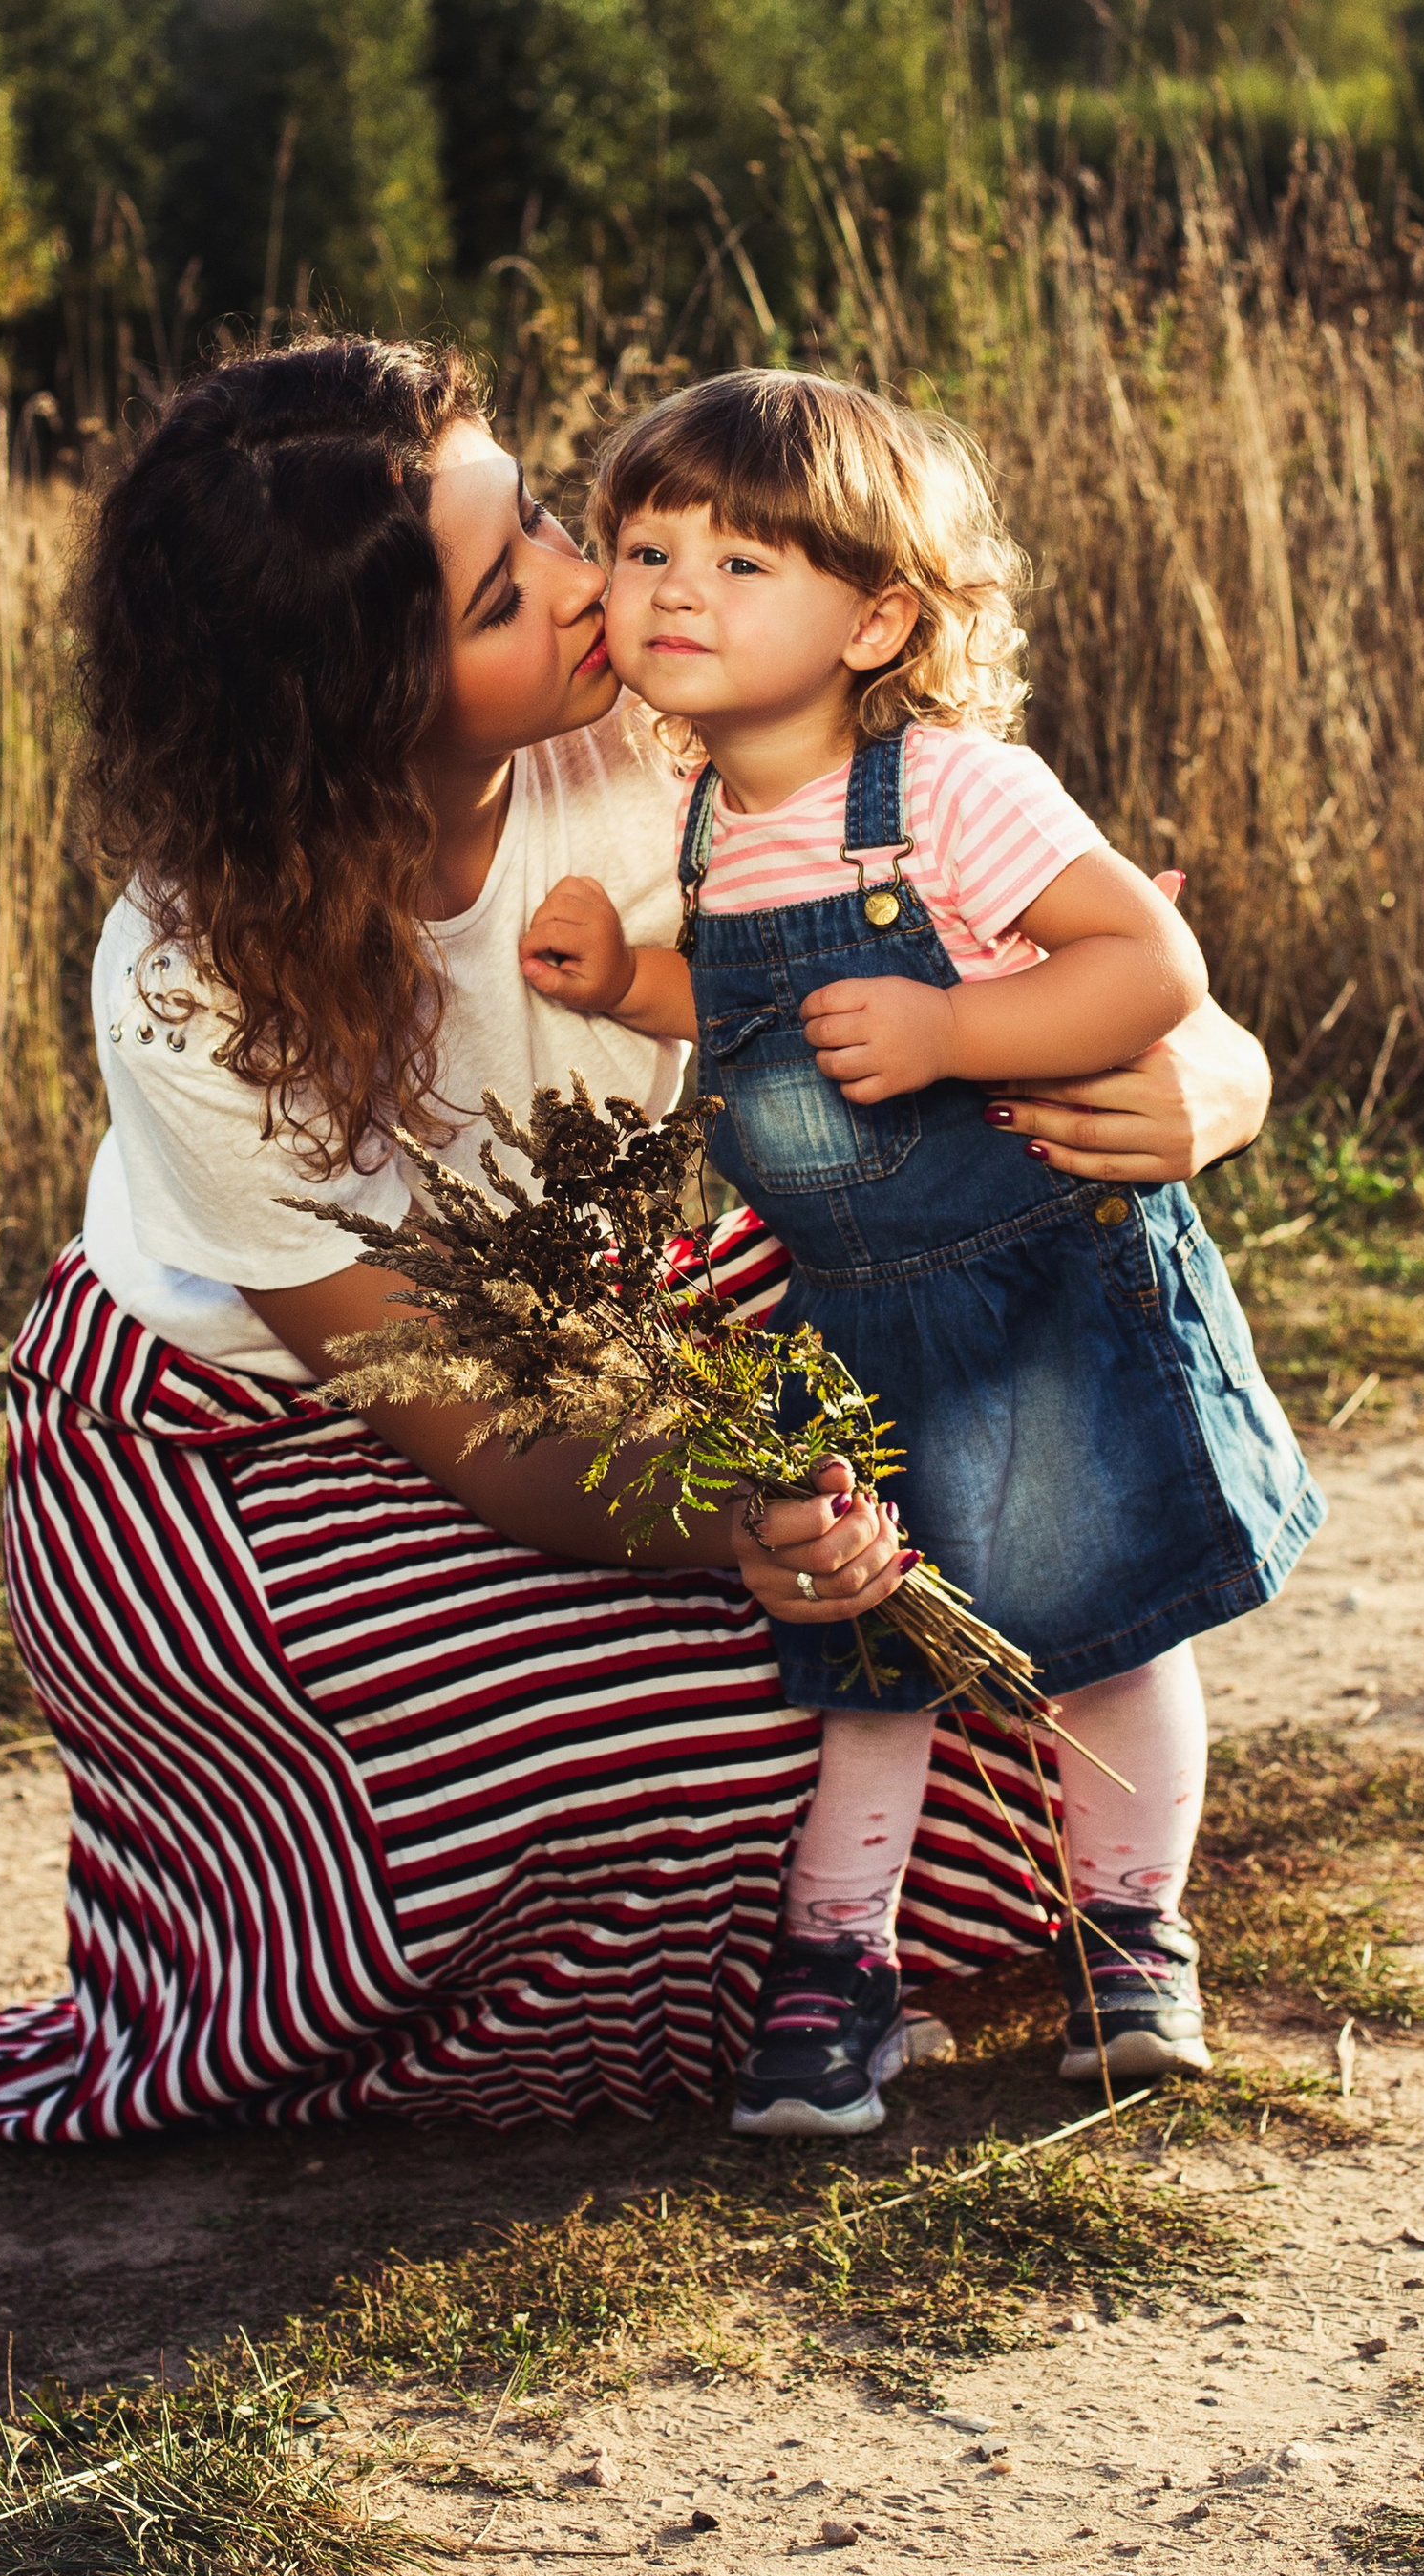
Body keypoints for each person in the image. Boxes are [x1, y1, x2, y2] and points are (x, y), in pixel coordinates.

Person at [0, 342, 1275, 2144]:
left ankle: (982, 1924)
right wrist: (743, 1524)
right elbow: (471, 1423)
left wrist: (1213, 1076)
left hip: (626, 1341)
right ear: (355, 696)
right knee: (652, 1754)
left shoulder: (667, 750)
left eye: (554, 520)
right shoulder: (189, 979)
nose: (600, 583)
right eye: (510, 591)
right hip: (250, 1447)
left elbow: (1037, 938)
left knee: (960, 1629)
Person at [526, 371, 1322, 2134]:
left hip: (1038, 1285)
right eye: (649, 546)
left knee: (1110, 1629)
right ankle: (840, 1967)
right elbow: (763, 1037)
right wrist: (626, 982)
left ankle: (1126, 1937)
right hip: (853, 1318)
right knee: (866, 1652)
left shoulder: (951, 790)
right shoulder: (709, 820)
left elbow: (1145, 965)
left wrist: (962, 1034)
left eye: (744, 564)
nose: (671, 590)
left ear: (875, 614)